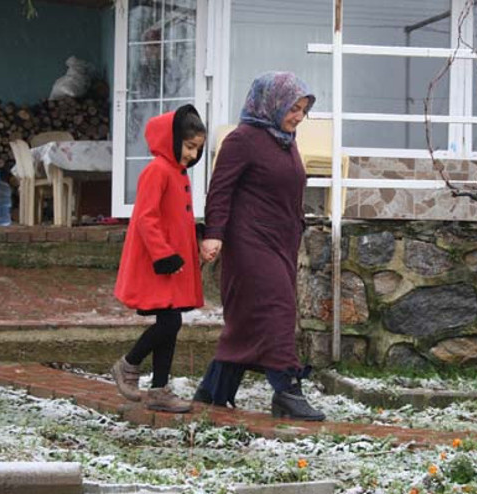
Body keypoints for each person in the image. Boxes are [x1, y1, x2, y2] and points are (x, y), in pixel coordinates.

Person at [194, 72, 325, 421]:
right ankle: (286, 391)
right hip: (248, 242)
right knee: (278, 309)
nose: (297, 117)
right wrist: (214, 233)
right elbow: (220, 190)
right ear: (272, 103)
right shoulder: (243, 139)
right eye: (292, 108)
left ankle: (212, 391)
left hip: (281, 242)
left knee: (248, 320)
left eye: (302, 110)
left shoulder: (285, 139)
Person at [111, 104, 206, 413]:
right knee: (170, 321)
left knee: (171, 321)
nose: (193, 154)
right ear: (173, 139)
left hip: (173, 265)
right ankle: (129, 364)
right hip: (159, 263)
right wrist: (164, 254)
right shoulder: (157, 170)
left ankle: (158, 391)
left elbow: (173, 217)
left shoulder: (176, 173)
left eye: (197, 149)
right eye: (190, 146)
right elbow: (146, 219)